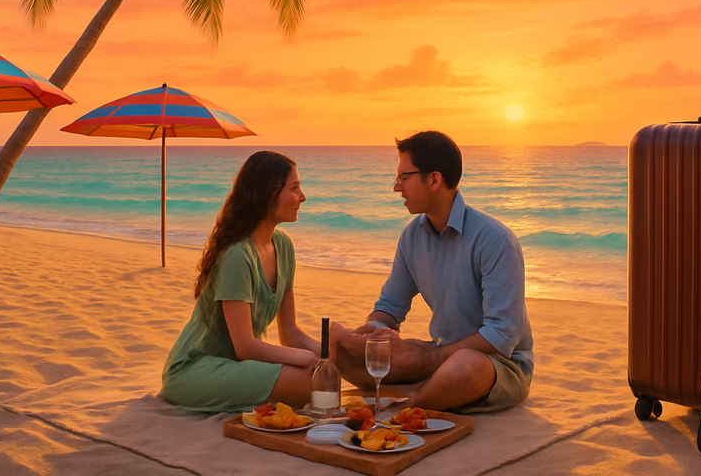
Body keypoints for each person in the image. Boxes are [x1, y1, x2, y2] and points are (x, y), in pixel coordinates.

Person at [335, 131, 534, 413]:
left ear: (434, 180)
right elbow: (390, 307)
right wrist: (373, 336)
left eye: (403, 178)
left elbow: (500, 336)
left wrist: (430, 356)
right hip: (439, 356)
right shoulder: (412, 236)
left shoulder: (494, 239)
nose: (396, 187)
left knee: (465, 365)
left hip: (495, 364)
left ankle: (409, 406)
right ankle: (427, 389)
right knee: (346, 352)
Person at [161, 151, 321, 411]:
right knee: (310, 382)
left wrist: (326, 353)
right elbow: (245, 346)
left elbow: (289, 331)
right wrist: (305, 359)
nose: (302, 196)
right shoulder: (237, 256)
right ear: (268, 195)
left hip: (238, 366)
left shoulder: (283, 246)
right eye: (294, 188)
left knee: (321, 376)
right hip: (195, 369)